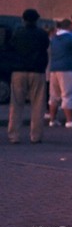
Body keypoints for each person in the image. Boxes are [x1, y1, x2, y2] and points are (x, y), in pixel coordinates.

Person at [7, 9, 50, 144]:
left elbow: (10, 49)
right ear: (37, 20)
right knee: (38, 105)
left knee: (16, 104)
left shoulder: (17, 33)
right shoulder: (42, 34)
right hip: (37, 71)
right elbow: (46, 48)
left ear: (23, 19)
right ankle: (36, 136)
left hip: (19, 71)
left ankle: (14, 135)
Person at [47, 18, 72, 128]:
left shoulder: (53, 39)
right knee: (68, 94)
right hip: (67, 68)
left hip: (54, 69)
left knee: (54, 96)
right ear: (69, 26)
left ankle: (52, 120)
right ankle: (69, 120)